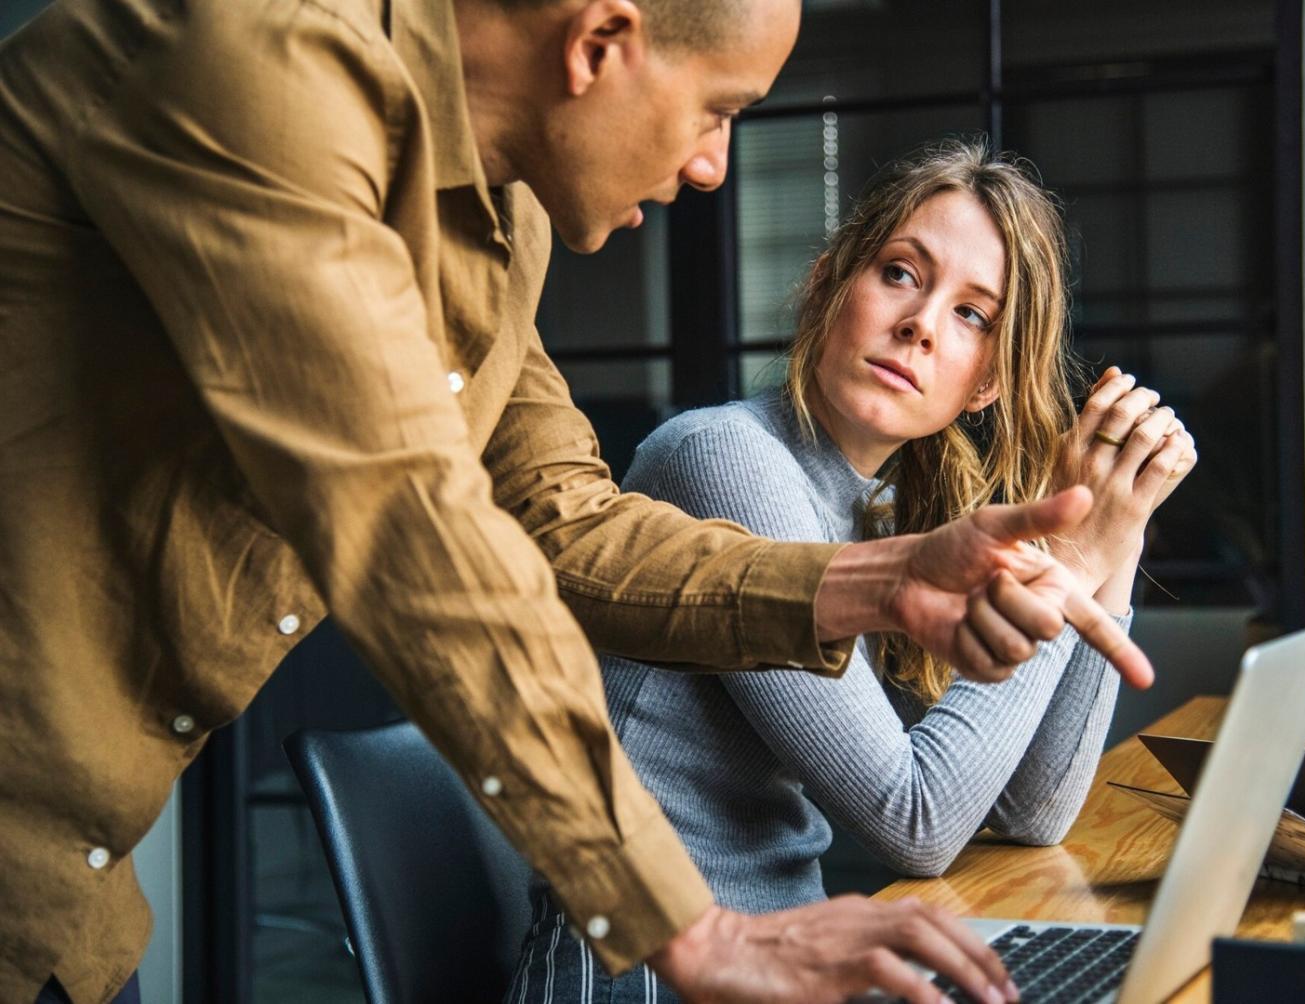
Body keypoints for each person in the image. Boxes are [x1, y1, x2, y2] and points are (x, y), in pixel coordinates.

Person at [0, 1, 1150, 1001]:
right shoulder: (263, 72)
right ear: (601, 42)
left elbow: (566, 523)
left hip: (71, 900)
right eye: (718, 109)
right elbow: (409, 525)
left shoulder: (499, 219)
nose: (712, 165)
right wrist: (688, 926)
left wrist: (887, 578)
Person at [510, 141, 1197, 1002]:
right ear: (827, 284)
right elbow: (917, 821)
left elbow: (1032, 812)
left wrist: (1115, 537)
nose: (920, 324)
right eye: (900, 274)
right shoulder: (722, 458)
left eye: (971, 315)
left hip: (789, 964)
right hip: (646, 975)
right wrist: (1070, 560)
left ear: (984, 385)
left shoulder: (884, 508)